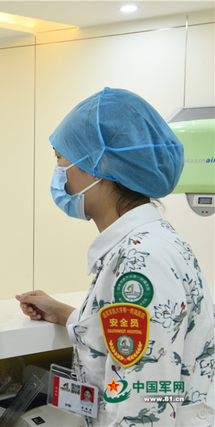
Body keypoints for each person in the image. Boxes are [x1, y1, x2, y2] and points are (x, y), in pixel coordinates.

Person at [16, 88, 214, 425]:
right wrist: (66, 315)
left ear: (99, 165)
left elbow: (143, 407)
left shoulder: (142, 262)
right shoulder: (150, 243)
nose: (59, 172)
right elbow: (136, 342)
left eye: (60, 159)